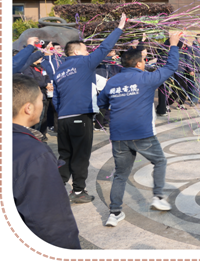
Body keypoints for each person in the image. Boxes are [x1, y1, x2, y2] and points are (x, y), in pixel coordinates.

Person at [97, 31, 183, 227]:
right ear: (138, 64)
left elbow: (101, 103)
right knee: (160, 161)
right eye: (143, 60)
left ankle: (114, 213)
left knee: (120, 174)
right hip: (141, 134)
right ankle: (158, 197)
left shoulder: (112, 82)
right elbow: (171, 67)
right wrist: (173, 44)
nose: (145, 63)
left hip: (118, 135)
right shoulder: (146, 78)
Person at [53, 13, 127, 204]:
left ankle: (55, 188)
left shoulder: (59, 71)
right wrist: (119, 28)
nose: (88, 53)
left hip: (63, 119)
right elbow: (104, 48)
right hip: (80, 116)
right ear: (76, 52)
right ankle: (78, 191)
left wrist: (63, 113)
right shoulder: (84, 63)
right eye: (86, 50)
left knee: (65, 154)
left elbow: (56, 99)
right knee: (81, 155)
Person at [12, 75, 81, 249]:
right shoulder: (33, 153)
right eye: (41, 100)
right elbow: (51, 222)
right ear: (28, 108)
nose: (43, 105)